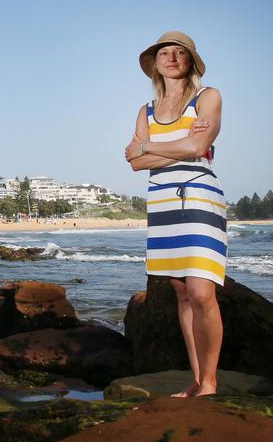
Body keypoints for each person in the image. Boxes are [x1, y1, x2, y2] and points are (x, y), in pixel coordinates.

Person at [125, 31, 226, 397]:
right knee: (182, 295)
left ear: (190, 61)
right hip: (162, 201)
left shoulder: (207, 98)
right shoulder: (145, 111)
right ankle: (197, 380)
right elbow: (135, 164)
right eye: (164, 52)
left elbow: (199, 145)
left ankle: (211, 384)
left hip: (199, 197)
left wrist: (149, 144)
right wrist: (178, 147)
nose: (171, 57)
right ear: (155, 63)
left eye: (178, 52)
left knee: (201, 293)